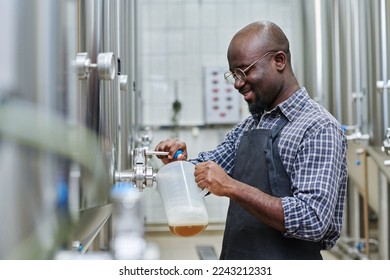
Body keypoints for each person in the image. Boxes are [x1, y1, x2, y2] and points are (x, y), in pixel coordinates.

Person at [155, 20, 348, 260]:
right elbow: (209, 171)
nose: (237, 83)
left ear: (279, 61)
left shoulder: (318, 127)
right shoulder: (250, 125)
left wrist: (233, 188)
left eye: (244, 71)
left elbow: (312, 219)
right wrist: (179, 163)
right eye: (234, 74)